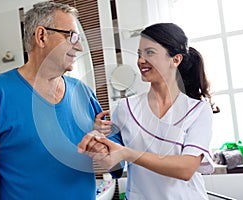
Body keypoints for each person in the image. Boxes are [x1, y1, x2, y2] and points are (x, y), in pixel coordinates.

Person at [0, 1, 106, 199]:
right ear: (41, 36)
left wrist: (106, 151)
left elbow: (115, 159)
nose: (79, 46)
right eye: (72, 36)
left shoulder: (84, 93)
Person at [78, 23, 220, 200]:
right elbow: (114, 165)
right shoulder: (125, 108)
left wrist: (127, 153)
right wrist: (101, 144)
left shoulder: (197, 110)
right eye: (139, 54)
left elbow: (187, 168)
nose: (140, 60)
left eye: (150, 52)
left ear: (175, 60)